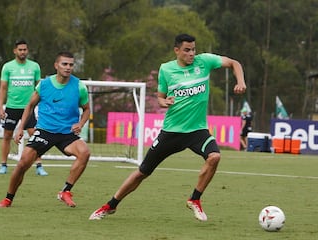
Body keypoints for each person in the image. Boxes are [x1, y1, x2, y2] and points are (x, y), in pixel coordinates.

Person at [89, 33, 246, 221]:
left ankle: (194, 199)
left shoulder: (205, 61)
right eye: (187, 50)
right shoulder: (166, 69)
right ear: (177, 50)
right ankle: (110, 205)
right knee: (142, 172)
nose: (191, 54)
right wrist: (163, 102)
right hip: (171, 131)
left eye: (193, 49)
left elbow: (234, 63)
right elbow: (160, 96)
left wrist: (241, 81)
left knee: (214, 157)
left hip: (197, 130)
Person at [0, 51, 91, 208]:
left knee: (85, 152)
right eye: (64, 64)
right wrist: (20, 128)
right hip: (44, 132)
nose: (68, 67)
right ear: (56, 66)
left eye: (71, 65)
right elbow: (30, 105)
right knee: (22, 165)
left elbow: (87, 109)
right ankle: (8, 199)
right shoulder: (44, 85)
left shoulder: (79, 86)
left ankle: (65, 191)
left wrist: (80, 124)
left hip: (67, 134)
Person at [0, 39, 48, 176]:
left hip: (29, 108)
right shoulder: (8, 67)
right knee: (7, 136)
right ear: (15, 51)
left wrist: (41, 105)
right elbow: (3, 87)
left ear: (27, 51)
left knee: (35, 136)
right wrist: (1, 107)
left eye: (25, 49)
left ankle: (39, 166)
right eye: (20, 50)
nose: (22, 52)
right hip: (12, 107)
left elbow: (39, 87)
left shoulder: (34, 67)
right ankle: (3, 165)